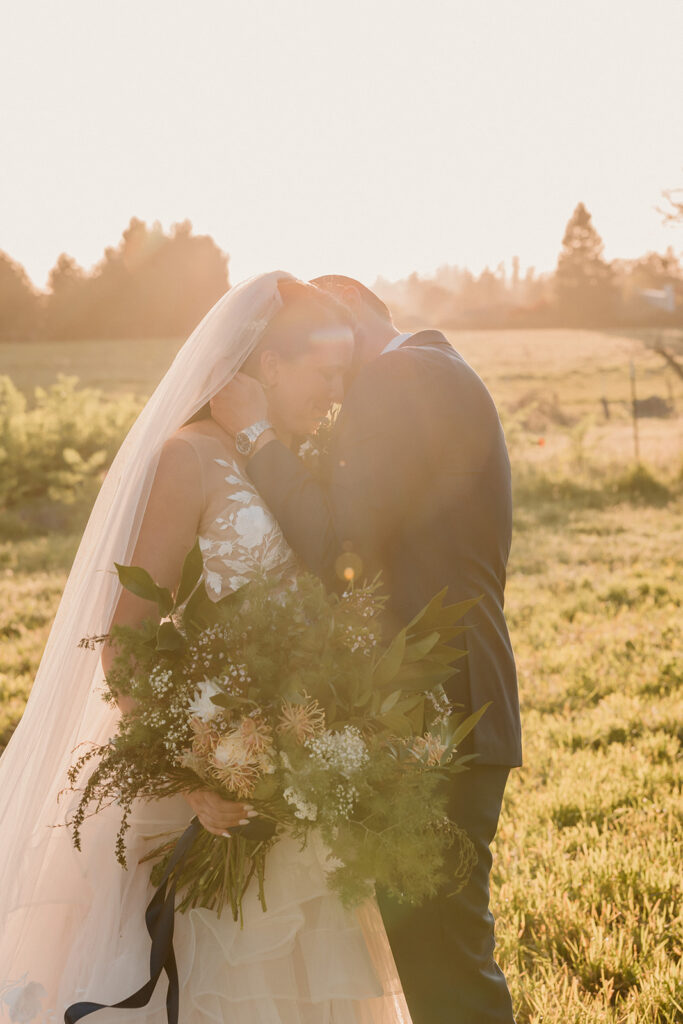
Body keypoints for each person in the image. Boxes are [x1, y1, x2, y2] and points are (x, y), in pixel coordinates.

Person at [0, 273, 413, 1024]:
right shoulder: (188, 458)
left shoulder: (308, 465)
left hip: (306, 778)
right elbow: (126, 637)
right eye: (326, 375)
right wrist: (192, 768)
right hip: (211, 777)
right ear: (268, 367)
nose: (336, 394)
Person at [210, 275, 522, 1024]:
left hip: (436, 714)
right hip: (451, 706)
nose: (334, 391)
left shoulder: (397, 378)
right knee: (439, 953)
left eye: (332, 364)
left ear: (347, 316)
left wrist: (254, 437)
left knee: (446, 965)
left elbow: (336, 544)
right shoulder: (435, 371)